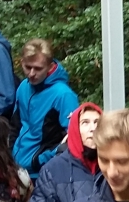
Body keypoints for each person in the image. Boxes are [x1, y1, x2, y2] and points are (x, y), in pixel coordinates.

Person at [12, 38, 79, 179]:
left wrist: (41, 160)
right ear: (22, 62)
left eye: (38, 68)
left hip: (46, 173)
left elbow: (74, 138)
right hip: (17, 170)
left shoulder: (64, 95)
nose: (31, 73)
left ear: (50, 66)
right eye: (27, 67)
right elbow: (15, 126)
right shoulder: (23, 87)